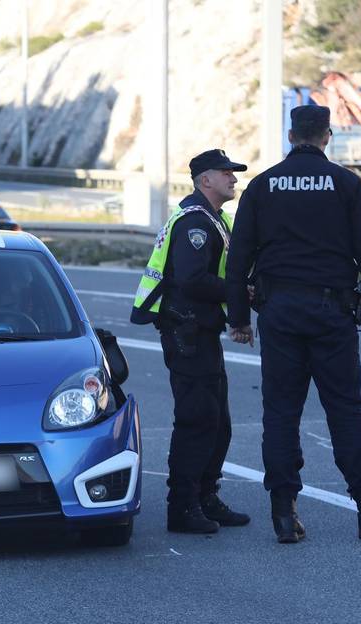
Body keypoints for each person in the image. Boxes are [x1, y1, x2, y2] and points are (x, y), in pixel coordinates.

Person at [225, 105, 361, 543]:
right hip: (331, 314)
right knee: (346, 412)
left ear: (290, 134)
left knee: (281, 413)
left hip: (279, 313)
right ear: (327, 135)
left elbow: (239, 258)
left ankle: (284, 515)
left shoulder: (263, 186)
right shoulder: (345, 184)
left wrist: (239, 318)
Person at [131, 149, 251, 534]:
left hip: (201, 333)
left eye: (233, 173)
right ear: (205, 180)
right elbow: (191, 279)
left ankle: (205, 496)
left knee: (219, 422)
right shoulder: (194, 224)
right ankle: (182, 507)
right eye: (226, 172)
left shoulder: (214, 219)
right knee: (197, 420)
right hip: (187, 334)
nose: (233, 178)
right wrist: (240, 292)